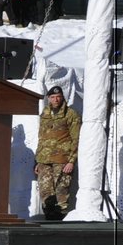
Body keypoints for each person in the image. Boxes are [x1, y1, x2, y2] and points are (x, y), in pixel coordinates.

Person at [35, 85, 81, 220]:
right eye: (53, 97)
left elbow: (76, 138)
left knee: (61, 190)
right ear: (48, 98)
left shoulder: (71, 114)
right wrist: (37, 161)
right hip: (44, 159)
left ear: (62, 98)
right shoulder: (45, 113)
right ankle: (48, 218)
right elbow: (41, 137)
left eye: (58, 97)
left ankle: (60, 220)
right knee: (45, 191)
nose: (56, 99)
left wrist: (71, 161)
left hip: (62, 159)